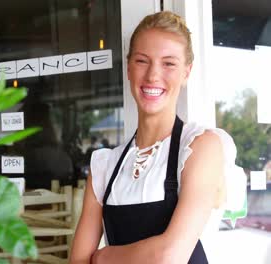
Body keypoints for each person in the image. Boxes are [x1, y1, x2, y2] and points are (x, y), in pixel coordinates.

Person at [70, 11, 236, 264]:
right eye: (142, 61)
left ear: (186, 72)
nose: (153, 76)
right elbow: (78, 261)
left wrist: (104, 258)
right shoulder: (105, 166)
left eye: (169, 63)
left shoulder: (200, 146)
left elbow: (169, 256)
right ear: (128, 68)